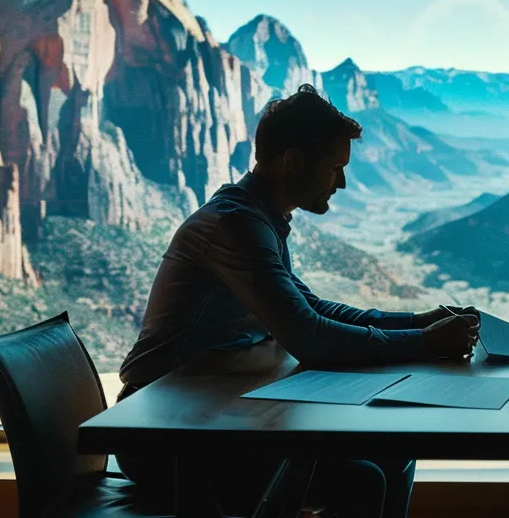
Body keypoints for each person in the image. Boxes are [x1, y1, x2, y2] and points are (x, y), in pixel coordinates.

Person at [115, 85, 482, 518]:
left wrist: (417, 321)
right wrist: (425, 342)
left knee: (393, 457)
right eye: (335, 168)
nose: (342, 182)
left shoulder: (258, 219)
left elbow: (313, 307)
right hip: (165, 437)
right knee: (362, 478)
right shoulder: (236, 226)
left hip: (207, 416)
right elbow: (310, 336)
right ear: (293, 162)